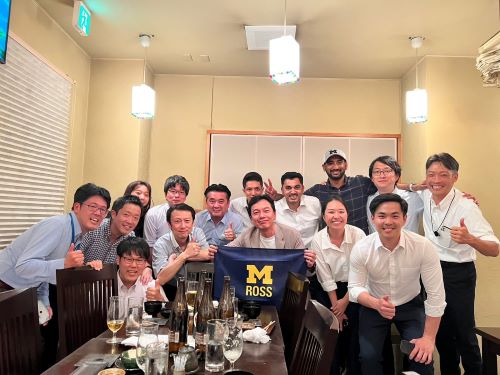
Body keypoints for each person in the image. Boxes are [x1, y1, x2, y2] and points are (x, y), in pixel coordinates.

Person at [0, 183, 111, 369]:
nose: (99, 213)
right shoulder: (58, 225)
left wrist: (44, 300)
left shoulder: (77, 233)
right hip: (5, 288)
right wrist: (65, 264)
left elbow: (42, 268)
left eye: (103, 209)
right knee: (11, 358)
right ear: (77, 207)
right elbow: (24, 266)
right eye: (93, 207)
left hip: (22, 290)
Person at [348, 194, 446, 375]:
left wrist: (429, 338)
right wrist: (376, 304)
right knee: (368, 358)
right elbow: (354, 288)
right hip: (374, 305)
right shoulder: (362, 248)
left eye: (395, 216)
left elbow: (436, 295)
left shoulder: (423, 246)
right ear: (372, 219)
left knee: (422, 357)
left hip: (410, 305)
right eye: (382, 216)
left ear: (404, 219)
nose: (388, 222)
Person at [420, 153, 499, 375]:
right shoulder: (424, 193)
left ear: (455, 177)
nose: (436, 180)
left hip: (458, 273)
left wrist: (470, 239)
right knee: (442, 334)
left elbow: (494, 249)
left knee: (464, 333)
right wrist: (416, 185)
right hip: (430, 271)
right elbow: (404, 187)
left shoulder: (466, 206)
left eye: (443, 175)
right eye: (431, 175)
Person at [310, 196, 366, 375]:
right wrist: (337, 309)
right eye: (331, 212)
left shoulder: (358, 235)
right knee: (330, 333)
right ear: (324, 217)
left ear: (347, 214)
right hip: (327, 292)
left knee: (354, 336)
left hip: (356, 290)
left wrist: (344, 303)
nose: (336, 216)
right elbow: (325, 277)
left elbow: (361, 273)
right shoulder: (318, 239)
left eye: (341, 211)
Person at [220, 195, 316, 269]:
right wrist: (215, 251)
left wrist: (310, 264)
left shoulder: (292, 234)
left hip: (284, 286)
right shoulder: (247, 235)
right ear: (251, 219)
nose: (262, 216)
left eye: (266, 211)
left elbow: (303, 265)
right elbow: (227, 251)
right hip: (257, 286)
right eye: (256, 212)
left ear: (274, 214)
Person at [153, 203, 212, 299]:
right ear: (169, 224)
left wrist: (174, 261)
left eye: (187, 221)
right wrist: (185, 255)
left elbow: (207, 254)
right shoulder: (161, 244)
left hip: (197, 289)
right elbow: (161, 278)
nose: (183, 226)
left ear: (193, 223)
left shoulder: (197, 232)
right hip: (171, 291)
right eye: (177, 221)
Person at [367, 156, 424, 234]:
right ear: (372, 178)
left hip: (409, 245)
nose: (382, 175)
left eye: (387, 171)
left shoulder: (413, 197)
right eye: (377, 172)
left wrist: (412, 187)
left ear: (397, 176)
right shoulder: (368, 199)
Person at [82, 195, 142, 264]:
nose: (130, 221)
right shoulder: (93, 229)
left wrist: (147, 268)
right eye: (126, 215)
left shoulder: (131, 238)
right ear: (113, 214)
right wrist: (87, 266)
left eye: (135, 218)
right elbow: (73, 259)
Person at [275, 171, 321, 248]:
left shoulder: (314, 203)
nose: (293, 192)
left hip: (312, 253)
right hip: (287, 254)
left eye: (297, 187)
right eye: (288, 188)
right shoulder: (275, 208)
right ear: (282, 190)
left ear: (303, 189)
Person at [144, 175, 190, 248]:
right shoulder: (153, 214)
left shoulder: (190, 215)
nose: (177, 195)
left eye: (181, 192)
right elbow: (150, 245)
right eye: (173, 191)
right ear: (165, 194)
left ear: (185, 197)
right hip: (158, 256)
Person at [116, 237, 167, 302]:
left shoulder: (152, 286)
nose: (134, 265)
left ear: (146, 262)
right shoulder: (105, 286)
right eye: (128, 259)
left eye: (139, 260)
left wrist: (160, 300)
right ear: (118, 260)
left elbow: (167, 310)